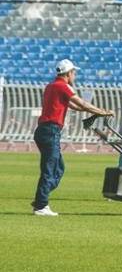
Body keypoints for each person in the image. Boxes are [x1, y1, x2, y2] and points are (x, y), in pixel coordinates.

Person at [32, 59, 114, 216]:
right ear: (68, 73)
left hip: (44, 131)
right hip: (50, 131)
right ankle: (41, 205)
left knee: (58, 168)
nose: (75, 75)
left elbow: (74, 106)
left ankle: (40, 199)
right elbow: (82, 103)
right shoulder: (63, 86)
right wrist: (102, 112)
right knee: (50, 170)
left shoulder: (51, 86)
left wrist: (94, 111)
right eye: (74, 73)